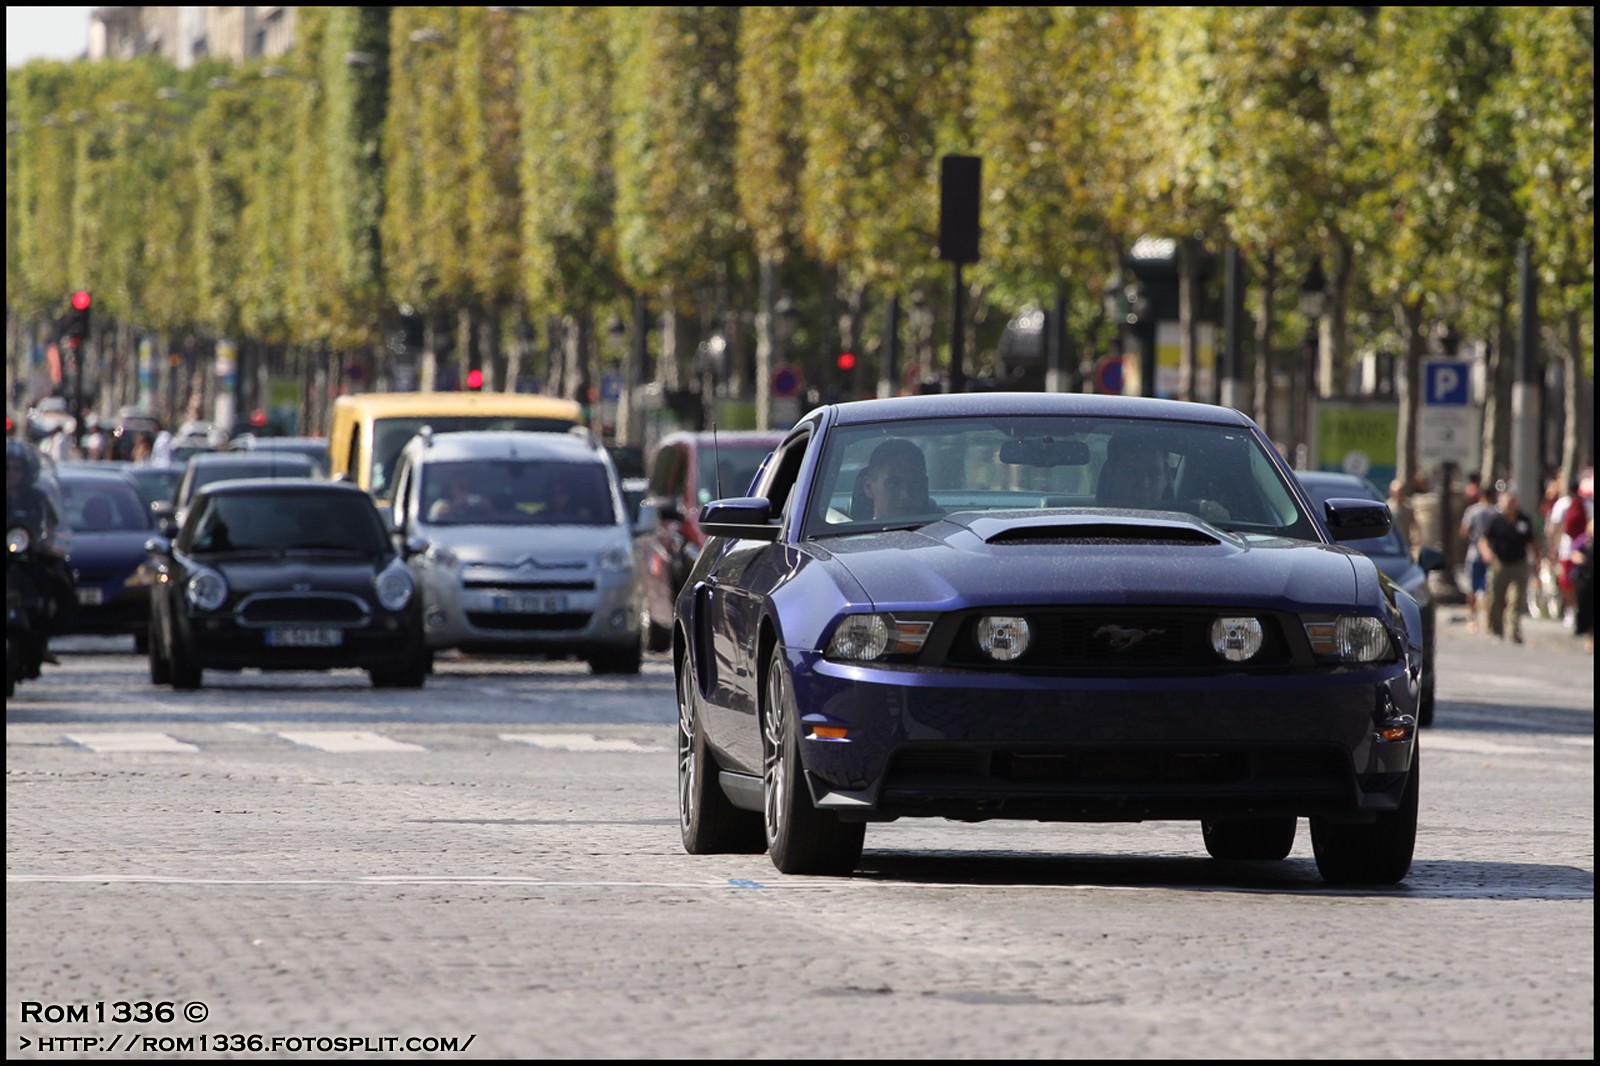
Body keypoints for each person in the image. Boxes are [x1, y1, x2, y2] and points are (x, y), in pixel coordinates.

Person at [1479, 489, 1539, 644]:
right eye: (1507, 503)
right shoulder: (1495, 520)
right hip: (1500, 563)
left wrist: (1538, 561)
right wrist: (1487, 553)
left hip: (1519, 563)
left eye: (1513, 503)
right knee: (1496, 598)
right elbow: (1483, 540)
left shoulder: (1523, 520)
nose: (1510, 506)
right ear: (1501, 504)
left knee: (1516, 599)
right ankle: (1497, 631)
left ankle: (1514, 631)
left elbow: (1533, 542)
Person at [1547, 478, 1593, 628]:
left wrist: (1552, 547)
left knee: (1568, 583)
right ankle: (1571, 611)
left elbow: (1553, 527)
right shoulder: (1581, 504)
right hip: (1581, 548)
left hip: (1568, 549)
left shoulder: (1562, 504)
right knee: (1569, 582)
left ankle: (1572, 611)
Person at [856, 438, 937, 520]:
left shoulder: (948, 530)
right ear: (868, 487)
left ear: (925, 487)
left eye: (915, 483)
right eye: (893, 484)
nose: (906, 495)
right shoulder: (850, 532)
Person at [1460, 483, 1500, 634]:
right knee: (1490, 589)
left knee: (1472, 588)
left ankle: (1472, 618)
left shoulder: (1472, 511)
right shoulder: (1497, 512)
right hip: (1492, 555)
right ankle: (1488, 621)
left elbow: (1464, 531)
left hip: (1474, 552)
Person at [1096, 435, 1172, 509]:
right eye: (1132, 473)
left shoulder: (1180, 518)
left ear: (1166, 478)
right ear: (1111, 476)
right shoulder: (1091, 519)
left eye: (1153, 473)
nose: (1144, 484)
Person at [428, 468, 494, 523]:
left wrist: (486, 508)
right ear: (451, 489)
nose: (465, 491)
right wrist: (454, 506)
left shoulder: (480, 503)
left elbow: (495, 523)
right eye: (461, 487)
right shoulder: (441, 504)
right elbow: (431, 521)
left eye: (469, 487)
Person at [1571, 516, 1593, 654]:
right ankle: (1589, 637)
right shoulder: (1584, 540)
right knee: (1587, 609)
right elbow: (1574, 553)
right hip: (1586, 579)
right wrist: (1581, 558)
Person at [1388, 479, 1416, 552]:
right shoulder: (1387, 508)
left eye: (1401, 491)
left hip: (1405, 544)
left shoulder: (1409, 508)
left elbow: (1414, 525)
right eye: (1397, 492)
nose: (1399, 494)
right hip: (1391, 544)